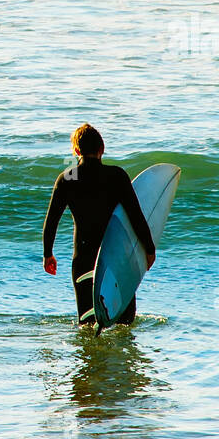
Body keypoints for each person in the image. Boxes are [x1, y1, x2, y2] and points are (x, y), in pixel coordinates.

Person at [42, 123, 155, 326]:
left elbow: (52, 221)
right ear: (102, 148)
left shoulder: (68, 178)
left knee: (87, 323)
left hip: (84, 259)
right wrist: (149, 248)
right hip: (115, 258)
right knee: (125, 323)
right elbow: (136, 217)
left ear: (76, 151)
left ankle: (90, 357)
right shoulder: (116, 176)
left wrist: (48, 253)